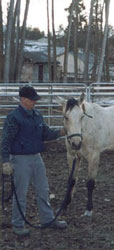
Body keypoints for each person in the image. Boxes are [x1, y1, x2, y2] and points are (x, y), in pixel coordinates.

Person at [1, 85, 67, 236]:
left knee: (43, 190)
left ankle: (47, 219)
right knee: (21, 193)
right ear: (23, 99)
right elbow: (5, 141)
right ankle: (18, 224)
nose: (34, 102)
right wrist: (5, 161)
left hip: (37, 157)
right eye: (32, 100)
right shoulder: (14, 117)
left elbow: (45, 133)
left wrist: (62, 132)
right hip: (20, 159)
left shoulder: (37, 115)